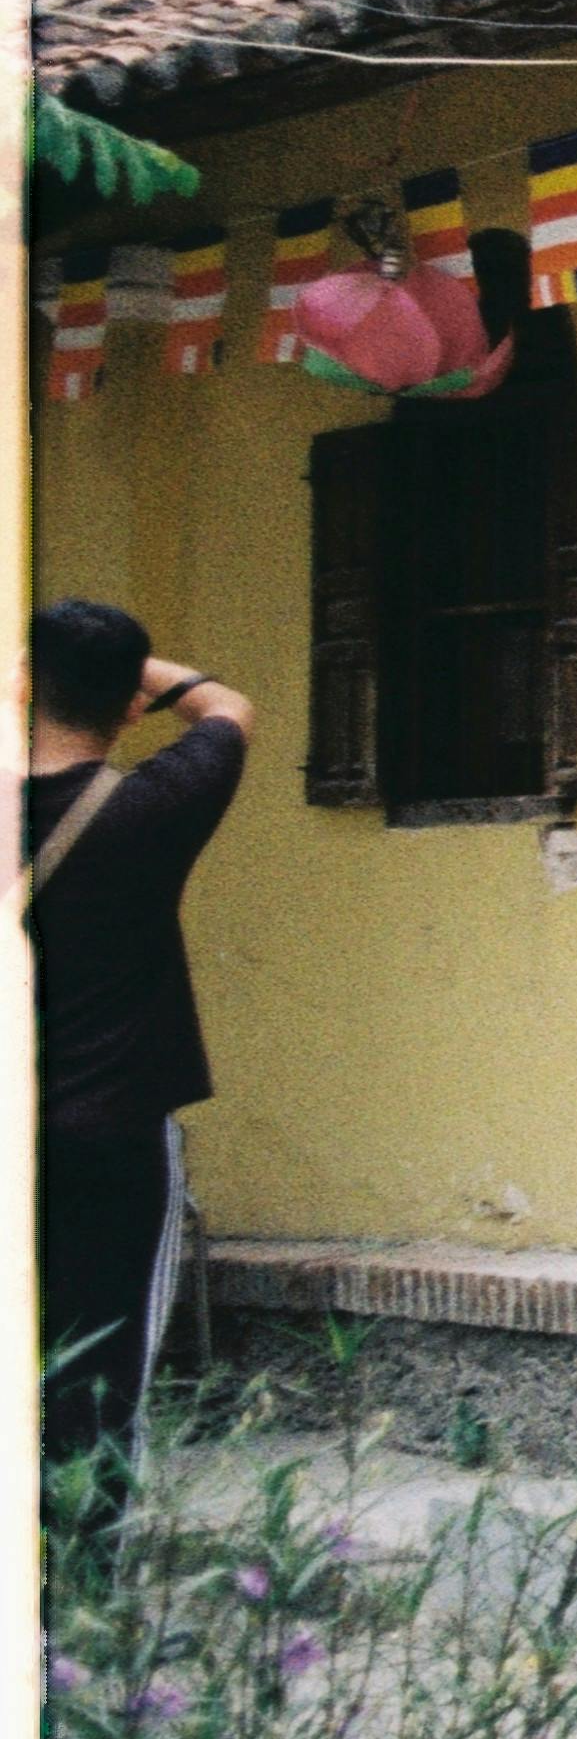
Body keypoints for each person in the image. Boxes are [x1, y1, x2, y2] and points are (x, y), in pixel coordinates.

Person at [29, 599, 250, 1482]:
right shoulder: (154, 809)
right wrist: (143, 677)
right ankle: (82, 1596)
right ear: (128, 708)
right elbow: (227, 708)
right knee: (100, 1381)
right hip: (114, 1135)